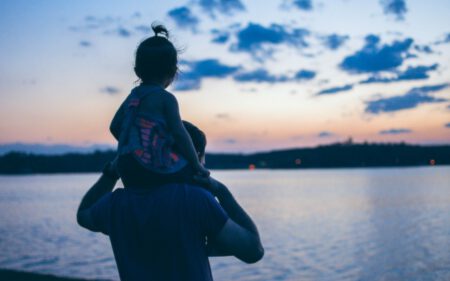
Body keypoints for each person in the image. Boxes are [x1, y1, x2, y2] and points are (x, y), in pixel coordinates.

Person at [77, 121, 264, 281]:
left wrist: (112, 172)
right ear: (194, 156)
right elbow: (253, 251)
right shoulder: (194, 200)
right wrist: (221, 191)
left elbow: (84, 214)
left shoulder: (117, 204)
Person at [110, 23, 209, 189]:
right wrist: (196, 164)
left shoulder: (132, 97)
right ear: (173, 71)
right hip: (151, 167)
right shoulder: (166, 99)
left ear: (137, 71)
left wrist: (134, 145)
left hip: (125, 167)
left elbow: (114, 127)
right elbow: (180, 133)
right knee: (194, 178)